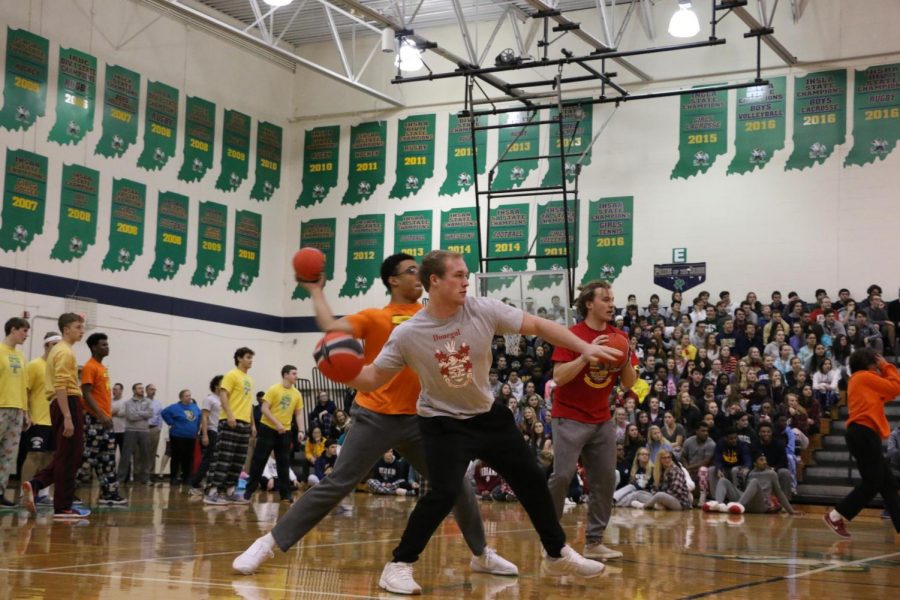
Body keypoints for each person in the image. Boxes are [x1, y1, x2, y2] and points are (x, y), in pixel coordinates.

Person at [233, 253, 516, 581]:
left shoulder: (434, 313)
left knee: (457, 484)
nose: (418, 275)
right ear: (393, 280)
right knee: (338, 482)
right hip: (375, 416)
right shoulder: (374, 317)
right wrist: (315, 291)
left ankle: (481, 554)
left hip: (421, 418)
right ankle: (268, 543)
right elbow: (332, 327)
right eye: (411, 271)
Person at [358, 250, 621, 593]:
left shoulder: (482, 309)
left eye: (467, 274)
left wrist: (583, 348)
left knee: (531, 479)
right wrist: (342, 367)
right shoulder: (409, 333)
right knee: (445, 492)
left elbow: (539, 326)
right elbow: (373, 377)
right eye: (458, 275)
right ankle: (399, 564)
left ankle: (557, 552)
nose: (467, 281)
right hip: (442, 421)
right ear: (434, 281)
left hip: (487, 415)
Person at [823, 348, 900, 538]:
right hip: (862, 433)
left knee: (888, 483)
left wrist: (884, 371)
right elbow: (896, 387)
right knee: (873, 482)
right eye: (876, 362)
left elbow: (889, 393)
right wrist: (886, 366)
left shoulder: (864, 381)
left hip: (865, 434)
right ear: (869, 364)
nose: (878, 365)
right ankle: (835, 515)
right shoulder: (863, 377)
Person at [21, 313, 90, 518]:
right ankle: (63, 507)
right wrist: (68, 416)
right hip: (67, 402)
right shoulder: (64, 352)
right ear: (66, 329)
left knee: (66, 455)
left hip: (62, 403)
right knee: (71, 457)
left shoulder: (60, 351)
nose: (82, 330)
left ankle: (36, 484)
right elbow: (61, 384)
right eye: (78, 327)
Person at [244, 365, 304, 503]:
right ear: (285, 375)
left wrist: (301, 430)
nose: (297, 376)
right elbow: (264, 409)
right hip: (268, 429)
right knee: (259, 460)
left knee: (283, 462)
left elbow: (299, 413)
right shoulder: (274, 389)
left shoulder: (297, 394)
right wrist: (277, 424)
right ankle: (249, 490)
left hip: (285, 432)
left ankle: (285, 494)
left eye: (296, 373)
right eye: (294, 373)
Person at [204, 347, 255, 505]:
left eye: (251, 357)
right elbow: (224, 396)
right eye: (248, 357)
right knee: (223, 458)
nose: (251, 360)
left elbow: (248, 404)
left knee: (238, 459)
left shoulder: (249, 379)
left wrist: (252, 424)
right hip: (230, 421)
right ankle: (212, 492)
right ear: (239, 358)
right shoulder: (231, 375)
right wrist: (230, 415)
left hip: (244, 424)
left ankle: (230, 491)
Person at [80, 332, 126, 505]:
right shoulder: (90, 367)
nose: (107, 347)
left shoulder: (102, 368)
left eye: (107, 344)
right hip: (94, 420)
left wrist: (106, 416)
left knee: (107, 458)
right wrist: (99, 414)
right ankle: (69, 492)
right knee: (87, 456)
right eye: (103, 345)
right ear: (94, 347)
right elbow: (86, 392)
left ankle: (109, 494)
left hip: (106, 421)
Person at [17, 332, 59, 502]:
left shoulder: (58, 368)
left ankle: (42, 493)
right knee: (34, 456)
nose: (57, 349)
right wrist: (28, 413)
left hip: (54, 421)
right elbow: (25, 390)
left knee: (50, 456)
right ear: (46, 345)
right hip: (38, 419)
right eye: (54, 344)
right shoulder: (35, 365)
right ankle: (24, 492)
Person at [704, 451, 796, 515]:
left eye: (765, 460)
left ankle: (738, 505)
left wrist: (791, 511)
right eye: (761, 460)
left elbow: (779, 493)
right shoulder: (750, 473)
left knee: (754, 482)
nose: (764, 462)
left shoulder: (771, 473)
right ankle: (718, 505)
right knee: (723, 480)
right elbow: (746, 491)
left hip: (761, 505)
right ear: (755, 463)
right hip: (747, 504)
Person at [0, 317, 29, 507]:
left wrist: (26, 411)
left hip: (17, 409)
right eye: (24, 331)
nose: (26, 335)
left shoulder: (21, 357)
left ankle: (0, 492)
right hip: (1, 406)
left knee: (8, 455)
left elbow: (24, 386)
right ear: (12, 329)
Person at [189, 375, 223, 494]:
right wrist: (204, 435)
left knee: (219, 460)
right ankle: (194, 483)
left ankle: (212, 484)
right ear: (216, 385)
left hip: (221, 432)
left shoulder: (224, 400)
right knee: (208, 459)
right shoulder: (209, 399)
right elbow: (204, 417)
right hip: (211, 431)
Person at [161, 389, 201, 485]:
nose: (189, 397)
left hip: (190, 437)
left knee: (188, 458)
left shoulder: (194, 407)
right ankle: (173, 477)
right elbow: (164, 413)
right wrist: (171, 422)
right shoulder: (174, 407)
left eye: (190, 395)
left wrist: (196, 427)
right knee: (176, 457)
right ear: (181, 397)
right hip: (177, 436)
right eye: (187, 396)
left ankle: (186, 477)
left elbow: (199, 417)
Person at [118, 383, 153, 485]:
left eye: (142, 388)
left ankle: (145, 479)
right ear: (134, 390)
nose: (142, 390)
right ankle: (120, 478)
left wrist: (137, 412)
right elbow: (130, 417)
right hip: (130, 430)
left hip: (144, 431)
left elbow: (150, 414)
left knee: (146, 456)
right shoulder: (128, 402)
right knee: (125, 455)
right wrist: (143, 413)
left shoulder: (148, 401)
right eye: (139, 388)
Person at [681, 422, 716, 504]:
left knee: (703, 470)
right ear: (696, 431)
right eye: (703, 431)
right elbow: (683, 456)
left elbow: (706, 462)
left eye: (707, 431)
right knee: (680, 469)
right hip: (690, 468)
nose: (706, 433)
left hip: (704, 471)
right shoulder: (688, 441)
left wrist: (689, 468)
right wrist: (686, 467)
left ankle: (703, 496)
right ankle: (684, 497)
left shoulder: (711, 443)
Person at [145, 383, 162, 483]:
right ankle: (140, 474)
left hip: (154, 429)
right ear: (147, 391)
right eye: (151, 389)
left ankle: (151, 474)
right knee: (140, 452)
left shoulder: (158, 403)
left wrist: (159, 428)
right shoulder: (141, 402)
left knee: (152, 452)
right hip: (143, 428)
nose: (153, 391)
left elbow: (160, 416)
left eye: (155, 389)